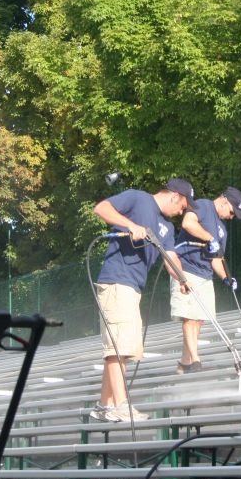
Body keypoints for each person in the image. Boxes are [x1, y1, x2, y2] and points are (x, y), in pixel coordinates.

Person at [89, 178, 195, 422]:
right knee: (119, 346)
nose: (182, 213)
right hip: (117, 281)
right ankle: (121, 406)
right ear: (174, 196)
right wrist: (131, 225)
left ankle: (104, 405)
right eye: (182, 207)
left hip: (134, 288)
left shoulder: (167, 227)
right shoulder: (138, 198)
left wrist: (182, 277)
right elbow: (101, 208)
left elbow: (170, 256)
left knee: (124, 349)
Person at [170, 186, 241, 374]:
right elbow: (188, 223)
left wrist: (226, 278)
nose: (231, 216)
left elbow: (217, 259)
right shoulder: (203, 205)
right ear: (224, 201)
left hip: (205, 275)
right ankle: (195, 361)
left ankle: (185, 361)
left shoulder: (223, 230)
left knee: (199, 320)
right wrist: (208, 237)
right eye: (231, 211)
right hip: (186, 269)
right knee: (189, 317)